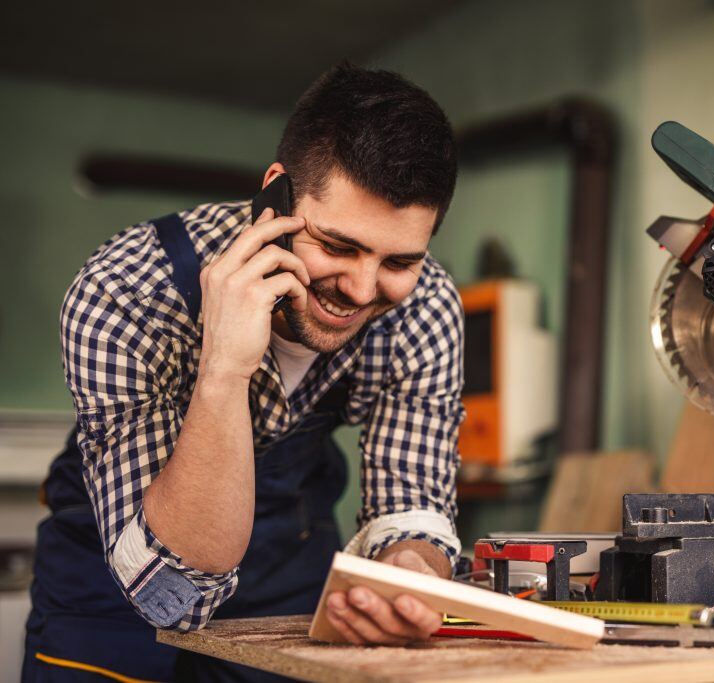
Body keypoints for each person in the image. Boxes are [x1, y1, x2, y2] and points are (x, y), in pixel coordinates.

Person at [23, 63, 464, 682]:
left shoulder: (426, 305)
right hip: (105, 598)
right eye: (337, 246)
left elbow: (412, 506)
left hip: (287, 583)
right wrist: (224, 370)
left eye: (398, 259)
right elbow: (172, 591)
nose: (362, 289)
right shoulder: (125, 293)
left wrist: (412, 577)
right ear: (275, 195)